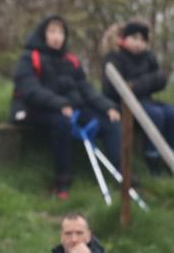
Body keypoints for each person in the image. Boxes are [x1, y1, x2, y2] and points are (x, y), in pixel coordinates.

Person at [10, 14, 122, 198]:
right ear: (43, 34)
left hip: (73, 108)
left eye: (61, 32)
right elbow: (30, 90)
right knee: (62, 123)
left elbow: (85, 88)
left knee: (110, 122)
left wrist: (108, 107)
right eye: (52, 31)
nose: (57, 37)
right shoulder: (29, 58)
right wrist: (60, 104)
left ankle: (121, 172)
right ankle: (62, 181)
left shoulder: (71, 60)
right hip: (38, 111)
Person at [102, 19, 173, 176]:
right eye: (134, 38)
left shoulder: (148, 57)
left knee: (171, 113)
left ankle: (170, 156)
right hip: (123, 104)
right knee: (156, 115)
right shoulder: (114, 57)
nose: (138, 43)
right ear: (124, 38)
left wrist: (136, 85)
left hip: (146, 100)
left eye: (142, 40)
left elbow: (160, 79)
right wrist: (144, 84)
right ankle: (152, 159)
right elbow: (114, 88)